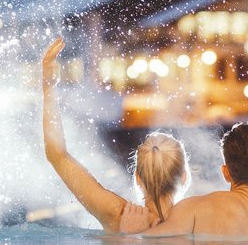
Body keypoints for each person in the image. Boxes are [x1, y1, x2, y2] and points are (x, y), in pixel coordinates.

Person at [40, 37, 190, 234]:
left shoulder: (115, 214)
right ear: (185, 178)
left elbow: (57, 155)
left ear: (137, 178)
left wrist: (48, 87)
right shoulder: (204, 222)